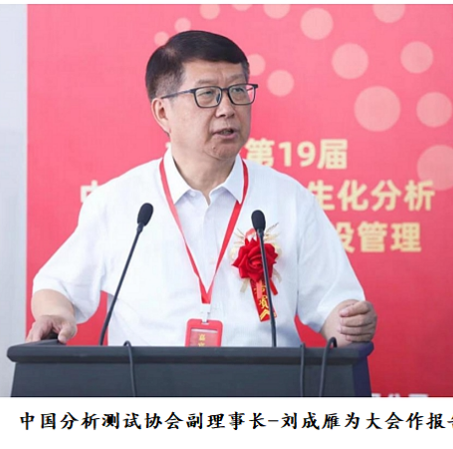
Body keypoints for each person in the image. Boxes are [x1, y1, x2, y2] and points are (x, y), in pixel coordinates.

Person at [27, 30, 377, 347]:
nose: (227, 109)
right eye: (207, 94)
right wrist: (56, 314)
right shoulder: (119, 202)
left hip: (266, 388)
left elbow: (334, 303)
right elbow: (56, 287)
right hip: (144, 388)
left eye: (237, 91)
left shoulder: (290, 200)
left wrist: (348, 322)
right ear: (162, 112)